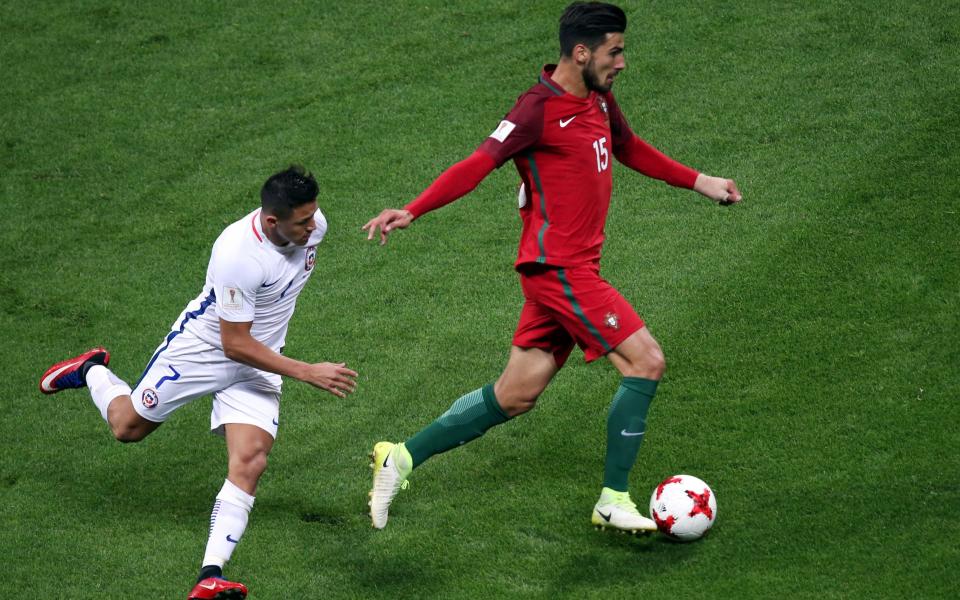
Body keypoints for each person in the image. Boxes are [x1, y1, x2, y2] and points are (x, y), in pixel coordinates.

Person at [362, 1, 741, 534]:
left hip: (565, 271)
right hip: (559, 268)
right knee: (646, 361)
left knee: (516, 394)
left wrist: (700, 180)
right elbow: (479, 162)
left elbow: (629, 149)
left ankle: (398, 456)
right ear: (580, 52)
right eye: (615, 51)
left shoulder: (599, 101)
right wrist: (415, 208)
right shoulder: (536, 109)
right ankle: (613, 498)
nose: (622, 63)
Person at [39, 166, 358, 600]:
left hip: (259, 359)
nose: (313, 226)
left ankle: (209, 576)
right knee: (128, 428)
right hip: (204, 350)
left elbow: (254, 337)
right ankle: (92, 369)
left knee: (252, 460)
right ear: (271, 221)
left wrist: (280, 358)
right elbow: (233, 343)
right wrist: (306, 370)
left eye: (313, 215)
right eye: (302, 221)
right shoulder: (237, 255)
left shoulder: (313, 227)